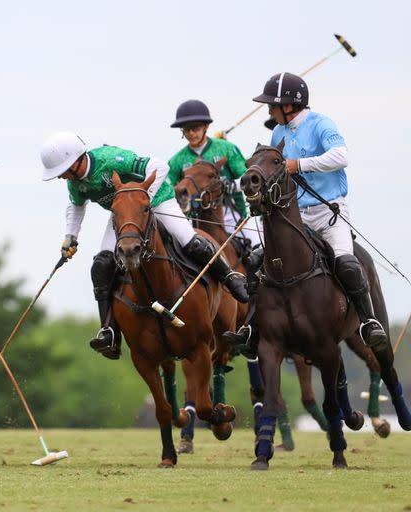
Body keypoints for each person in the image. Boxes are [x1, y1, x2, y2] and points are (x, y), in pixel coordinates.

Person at [40, 132, 248, 360]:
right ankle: (109, 330)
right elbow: (76, 208)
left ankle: (230, 278)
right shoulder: (75, 183)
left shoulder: (111, 159)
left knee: (191, 241)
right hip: (124, 216)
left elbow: (159, 166)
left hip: (157, 200)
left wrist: (142, 198)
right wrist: (70, 237)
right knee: (102, 264)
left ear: (77, 160)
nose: (62, 178)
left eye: (63, 172)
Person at [224, 72, 387, 354]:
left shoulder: (322, 124)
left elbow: (341, 156)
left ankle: (368, 321)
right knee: (259, 263)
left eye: (272, 105)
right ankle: (251, 328)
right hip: (295, 214)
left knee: (346, 264)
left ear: (289, 105)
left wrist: (298, 165)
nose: (268, 110)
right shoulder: (277, 132)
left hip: (329, 211)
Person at [168, 99, 262, 248]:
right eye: (186, 129)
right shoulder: (177, 161)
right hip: (194, 219)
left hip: (231, 214)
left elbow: (248, 178)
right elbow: (169, 189)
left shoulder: (226, 148)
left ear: (206, 126)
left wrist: (231, 186)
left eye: (196, 128)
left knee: (259, 247)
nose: (191, 133)